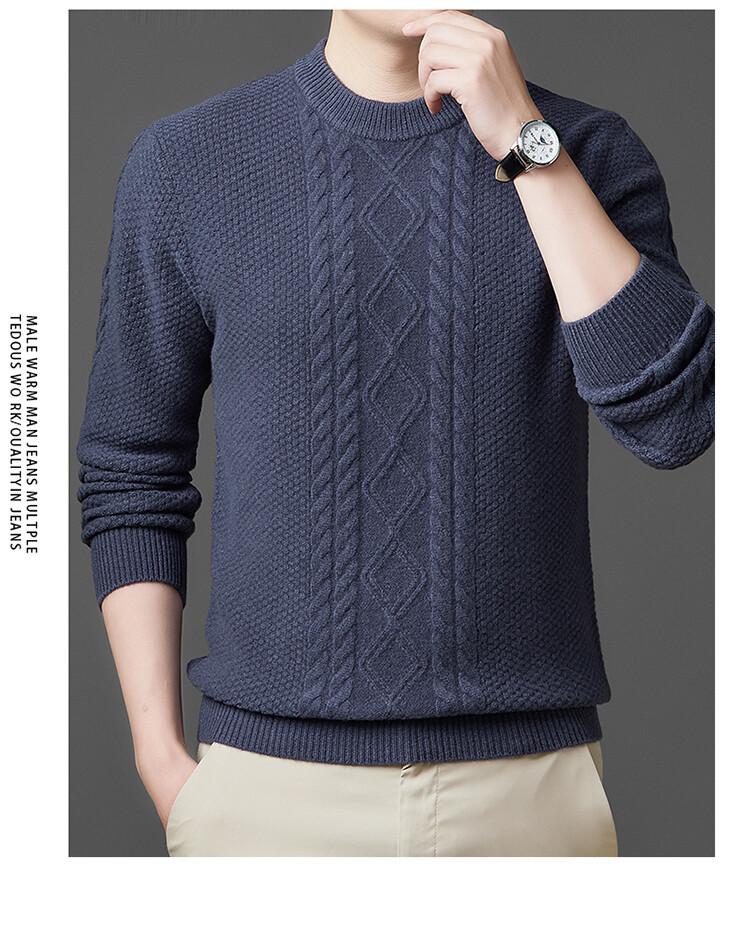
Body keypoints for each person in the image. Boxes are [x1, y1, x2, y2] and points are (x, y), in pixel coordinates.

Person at [76, 9, 714, 857]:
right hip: (266, 790)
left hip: (528, 792)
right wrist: (160, 759)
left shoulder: (586, 152)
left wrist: (527, 146)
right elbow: (130, 468)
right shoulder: (189, 162)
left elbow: (674, 420)